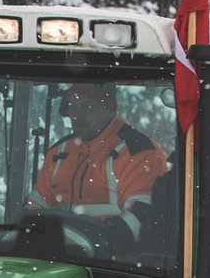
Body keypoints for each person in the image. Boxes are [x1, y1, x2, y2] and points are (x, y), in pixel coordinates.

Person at [30, 83, 169, 228]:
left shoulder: (138, 151)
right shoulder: (59, 152)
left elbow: (142, 215)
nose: (77, 116)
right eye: (72, 106)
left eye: (88, 107)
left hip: (115, 250)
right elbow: (36, 204)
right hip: (62, 247)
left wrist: (106, 239)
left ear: (109, 110)